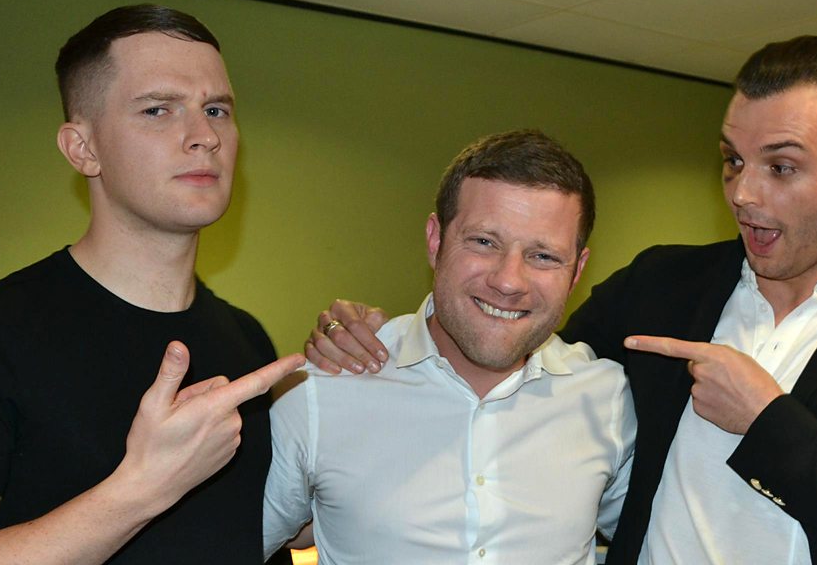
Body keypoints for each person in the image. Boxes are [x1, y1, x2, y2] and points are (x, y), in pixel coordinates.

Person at [305, 36, 817, 564]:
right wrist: (387, 339)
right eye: (732, 160)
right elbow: (517, 364)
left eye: (781, 166)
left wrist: (770, 424)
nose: (744, 193)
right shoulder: (662, 286)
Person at [0, 4, 303, 564]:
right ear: (83, 148)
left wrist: (373, 373)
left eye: (216, 110)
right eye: (157, 110)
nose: (204, 136)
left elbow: (257, 533)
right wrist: (145, 487)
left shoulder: (246, 338)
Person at [264, 130, 635, 563]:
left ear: (577, 272)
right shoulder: (321, 391)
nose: (508, 281)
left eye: (544, 256)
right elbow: (231, 543)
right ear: (435, 240)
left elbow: (660, 538)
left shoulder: (606, 398)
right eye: (484, 242)